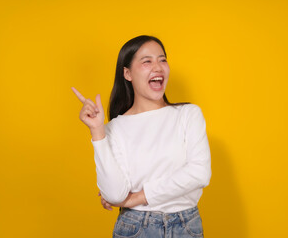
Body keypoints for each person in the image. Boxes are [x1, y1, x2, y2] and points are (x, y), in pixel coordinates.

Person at [72, 35, 211, 238]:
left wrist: (134, 199)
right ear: (127, 73)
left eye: (162, 59)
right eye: (147, 61)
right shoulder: (113, 129)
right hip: (135, 227)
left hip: (186, 226)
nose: (158, 67)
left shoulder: (188, 114)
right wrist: (97, 132)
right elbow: (114, 194)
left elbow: (199, 173)